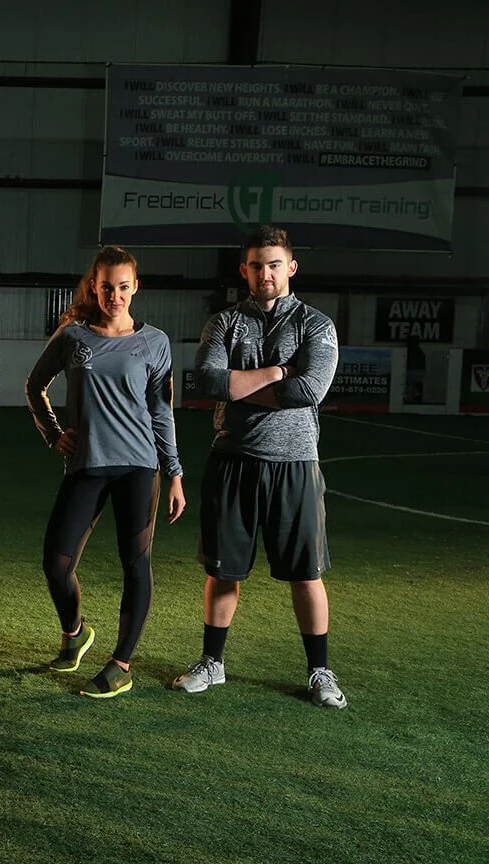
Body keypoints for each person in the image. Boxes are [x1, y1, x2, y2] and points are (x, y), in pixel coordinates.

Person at [172, 225, 346, 709]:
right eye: (255, 264)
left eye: (273, 264)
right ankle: (212, 662)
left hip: (296, 463)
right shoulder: (224, 323)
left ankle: (320, 671)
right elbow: (209, 381)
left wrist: (241, 384)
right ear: (243, 269)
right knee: (223, 571)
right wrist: (275, 372)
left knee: (306, 574)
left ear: (291, 267)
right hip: (233, 460)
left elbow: (308, 390)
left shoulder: (316, 325)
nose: (264, 273)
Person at [25, 246, 185, 698]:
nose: (114, 295)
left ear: (135, 287)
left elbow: (161, 411)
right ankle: (75, 632)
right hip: (87, 464)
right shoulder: (73, 336)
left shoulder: (155, 342)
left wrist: (173, 473)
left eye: (123, 287)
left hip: (139, 467)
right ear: (94, 287)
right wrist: (54, 433)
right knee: (56, 563)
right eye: (106, 287)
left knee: (135, 564)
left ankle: (121, 664)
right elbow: (34, 385)